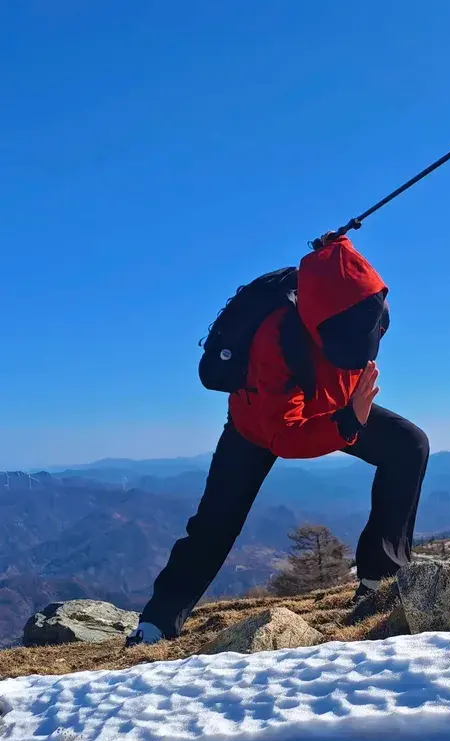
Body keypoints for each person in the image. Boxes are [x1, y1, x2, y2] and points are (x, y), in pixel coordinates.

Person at [127, 236, 429, 644]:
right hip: (260, 425)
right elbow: (284, 437)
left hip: (336, 407)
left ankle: (379, 582)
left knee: (408, 446)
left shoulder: (366, 301)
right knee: (216, 523)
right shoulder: (278, 337)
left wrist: (336, 245)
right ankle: (156, 625)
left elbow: (346, 267)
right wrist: (349, 421)